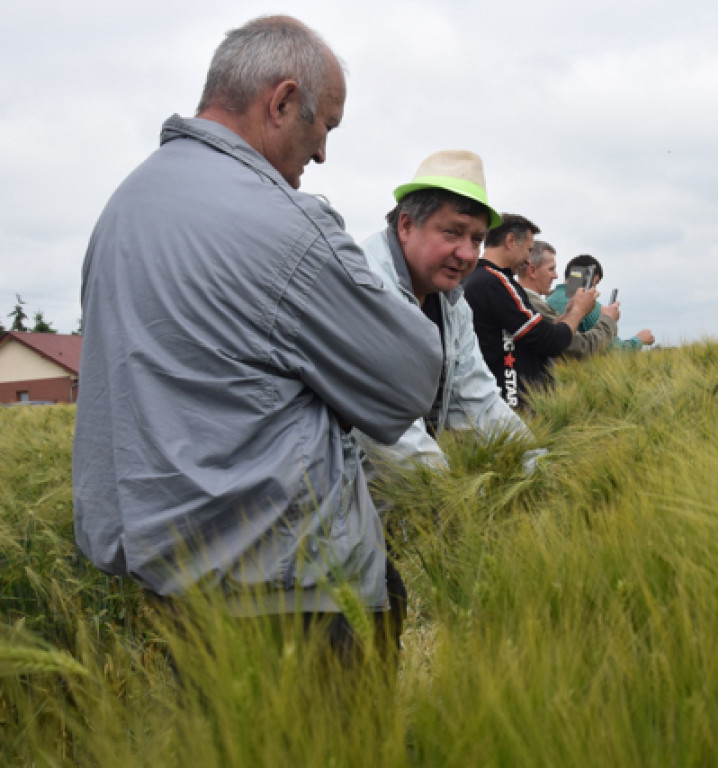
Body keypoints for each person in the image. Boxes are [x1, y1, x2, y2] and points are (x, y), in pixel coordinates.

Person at [72, 15, 443, 671]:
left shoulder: (121, 212)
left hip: (174, 598)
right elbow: (410, 377)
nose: (323, 153)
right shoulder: (280, 224)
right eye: (323, 126)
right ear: (280, 102)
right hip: (295, 598)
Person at [353, 150, 533, 477]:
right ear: (406, 225)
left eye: (476, 239)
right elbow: (390, 429)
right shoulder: (365, 289)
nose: (466, 254)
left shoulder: (452, 302)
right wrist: (455, 500)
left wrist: (536, 462)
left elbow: (480, 400)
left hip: (404, 495)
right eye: (452, 232)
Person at [462, 215, 598, 409]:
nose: (528, 259)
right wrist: (578, 311)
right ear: (510, 241)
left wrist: (569, 313)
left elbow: (532, 332)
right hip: (512, 407)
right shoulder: (495, 282)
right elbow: (548, 342)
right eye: (528, 250)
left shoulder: (478, 279)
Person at [517, 240, 619, 358]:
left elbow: (554, 334)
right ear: (532, 271)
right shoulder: (532, 305)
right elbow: (578, 348)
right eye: (551, 269)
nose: (555, 276)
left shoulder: (528, 301)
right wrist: (608, 319)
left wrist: (568, 312)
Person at [547, 254, 656, 349]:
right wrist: (639, 340)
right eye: (596, 283)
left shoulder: (547, 301)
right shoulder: (589, 306)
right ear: (594, 278)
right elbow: (613, 350)